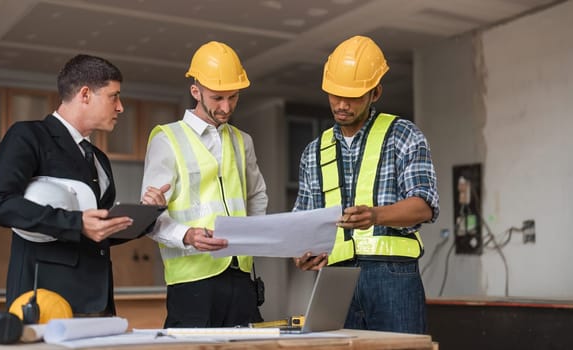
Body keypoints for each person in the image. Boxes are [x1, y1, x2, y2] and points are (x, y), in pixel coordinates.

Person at [0, 54, 168, 316]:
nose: (120, 107)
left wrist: (146, 215)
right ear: (85, 94)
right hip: (45, 303)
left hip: (99, 305)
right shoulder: (28, 136)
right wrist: (77, 222)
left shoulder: (99, 158)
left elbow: (98, 232)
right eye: (114, 96)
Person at [292, 36, 439, 334]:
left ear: (375, 93)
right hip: (332, 280)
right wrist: (302, 253)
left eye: (354, 96)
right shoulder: (313, 152)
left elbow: (424, 205)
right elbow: (302, 222)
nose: (342, 104)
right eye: (335, 94)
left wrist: (375, 216)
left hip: (392, 276)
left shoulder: (403, 135)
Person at [141, 41, 268, 328]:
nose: (226, 107)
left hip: (240, 277)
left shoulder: (241, 140)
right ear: (195, 91)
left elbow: (257, 195)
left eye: (233, 97)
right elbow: (149, 216)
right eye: (217, 98)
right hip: (192, 281)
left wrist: (254, 233)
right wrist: (187, 235)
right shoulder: (167, 139)